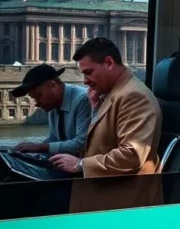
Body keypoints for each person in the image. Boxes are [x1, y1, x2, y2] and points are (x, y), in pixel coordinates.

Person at [50, 37, 163, 178]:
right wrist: (96, 109)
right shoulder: (112, 94)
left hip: (120, 194)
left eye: (89, 72)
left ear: (109, 63)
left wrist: (80, 164)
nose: (85, 81)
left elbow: (132, 156)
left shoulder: (134, 96)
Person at [10, 64, 91, 157]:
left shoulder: (83, 100)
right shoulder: (53, 103)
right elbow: (54, 138)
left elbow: (82, 144)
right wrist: (36, 151)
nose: (37, 103)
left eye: (39, 95)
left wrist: (41, 147)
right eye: (34, 98)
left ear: (52, 85)